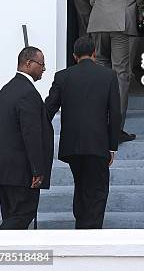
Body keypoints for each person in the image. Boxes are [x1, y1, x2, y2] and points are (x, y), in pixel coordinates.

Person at [45, 36, 121, 229]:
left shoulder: (62, 76)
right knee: (97, 189)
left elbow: (47, 110)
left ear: (74, 56)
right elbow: (115, 114)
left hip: (72, 145)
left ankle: (81, 224)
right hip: (98, 143)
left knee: (80, 185)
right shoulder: (108, 75)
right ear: (95, 53)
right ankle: (91, 231)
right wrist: (113, 146)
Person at [87, 0, 144, 142]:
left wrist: (103, 9)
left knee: (100, 73)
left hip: (98, 21)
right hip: (122, 21)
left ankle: (98, 126)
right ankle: (115, 129)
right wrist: (139, 10)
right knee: (121, 74)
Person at [0, 47, 54, 229]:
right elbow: (31, 134)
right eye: (41, 64)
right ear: (28, 63)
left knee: (11, 215)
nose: (43, 69)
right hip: (21, 171)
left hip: (3, 169)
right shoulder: (28, 93)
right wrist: (37, 170)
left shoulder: (6, 90)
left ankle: (7, 256)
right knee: (21, 216)